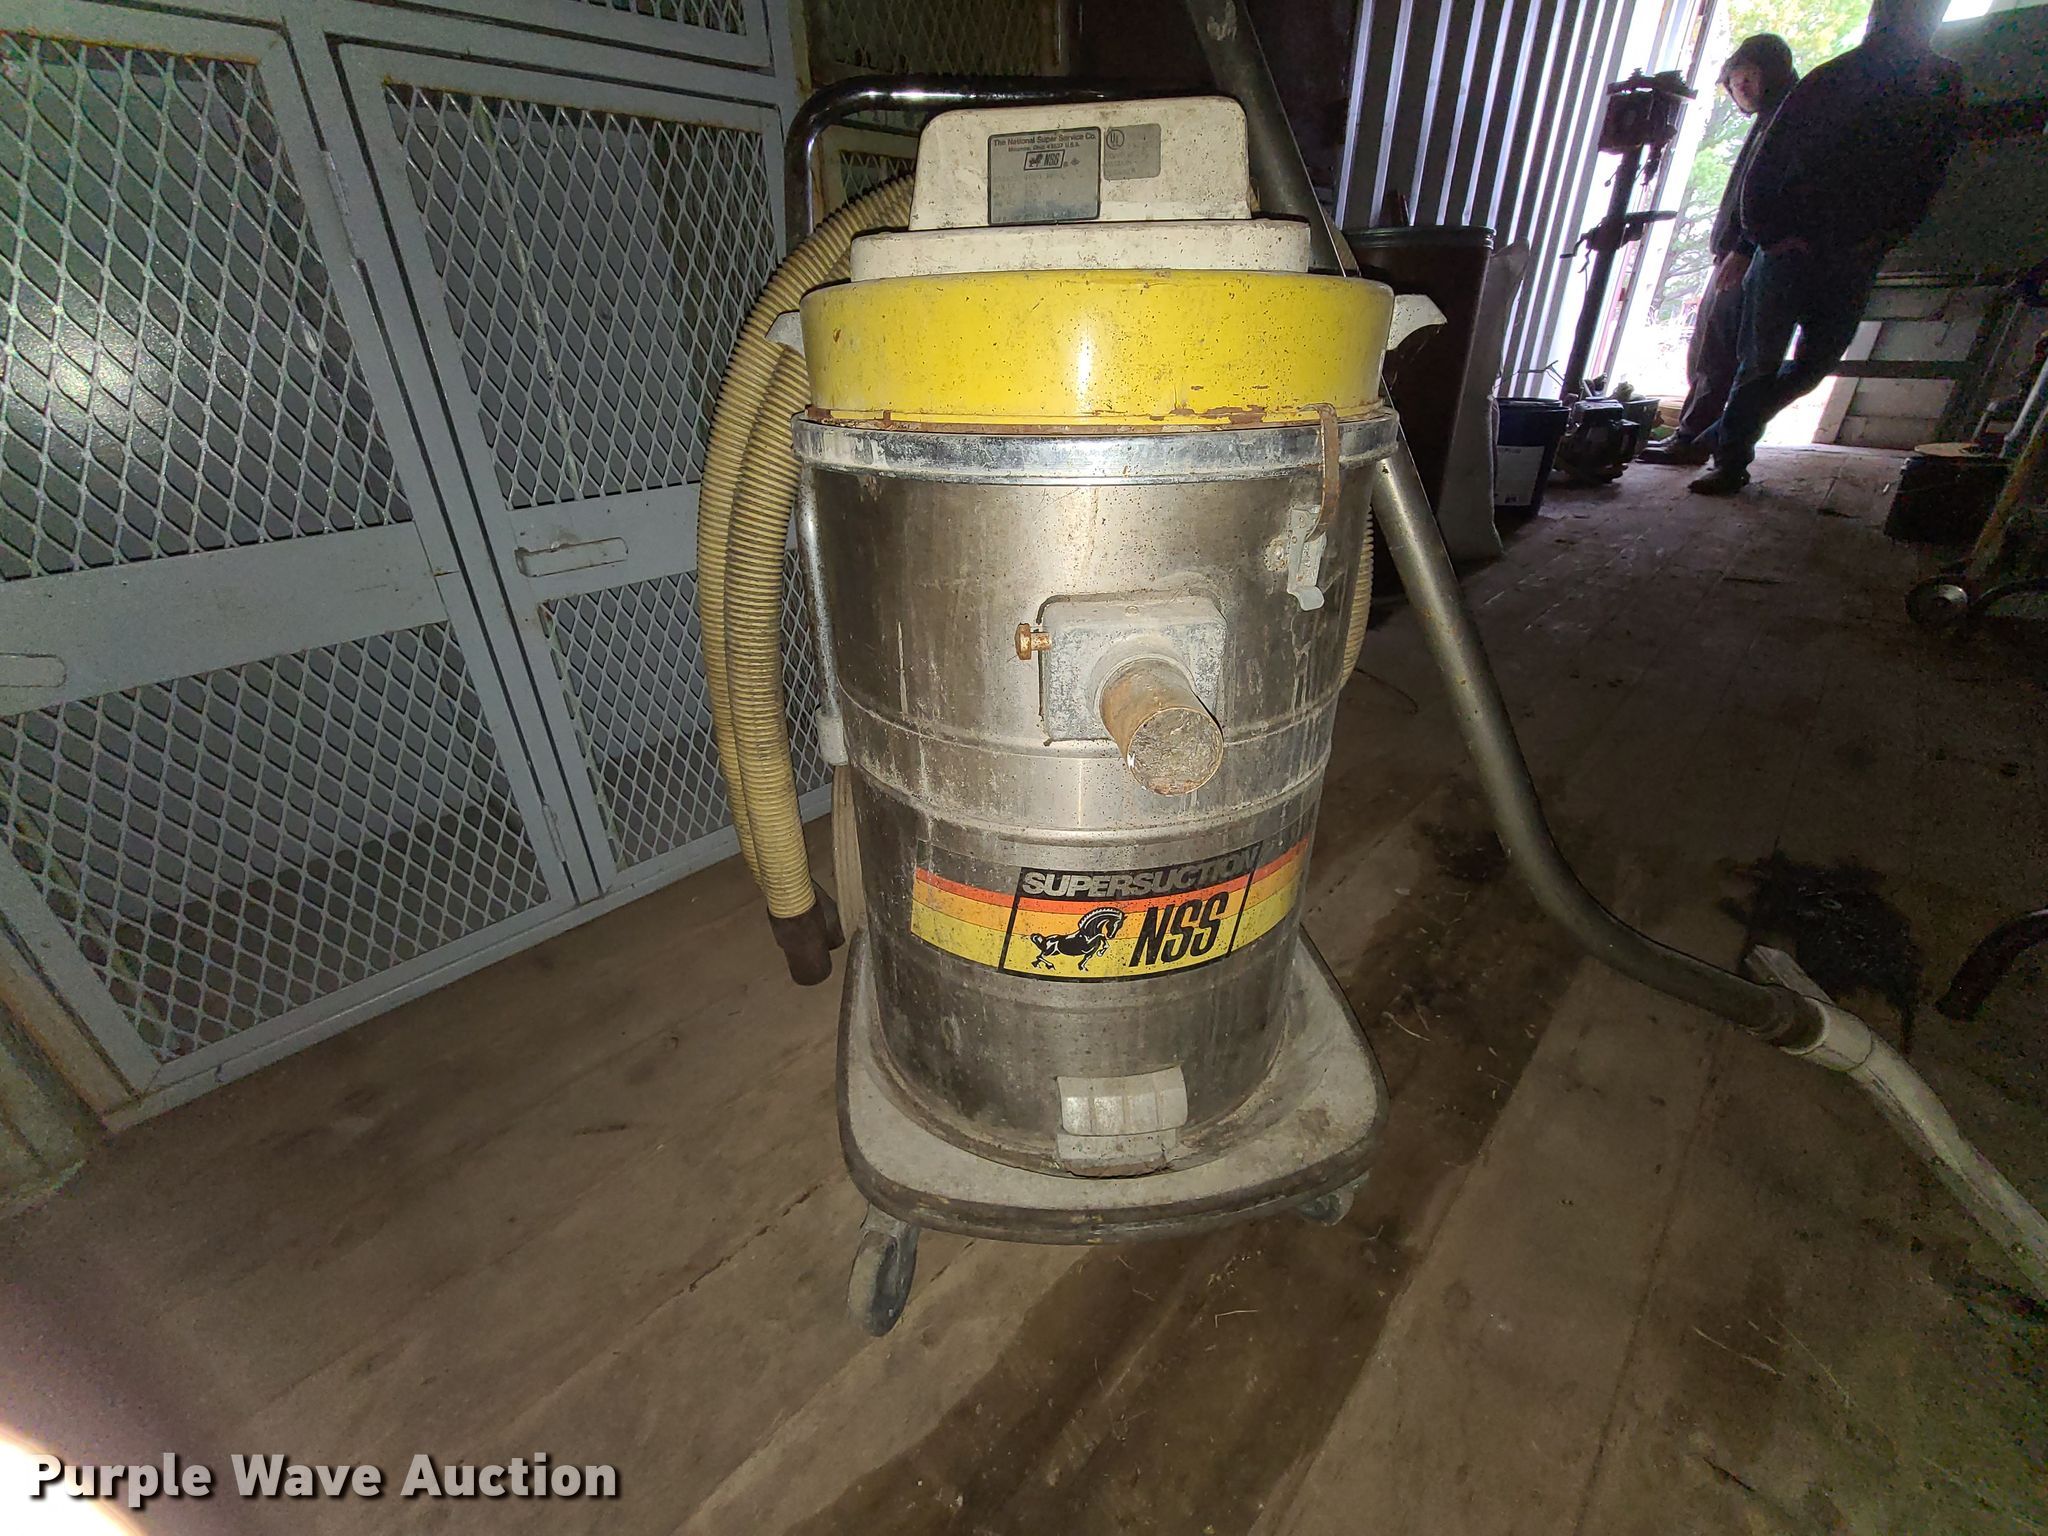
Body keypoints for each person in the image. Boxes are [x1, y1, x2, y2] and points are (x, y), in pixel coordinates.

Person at [1689, 0, 1964, 495]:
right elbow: (1766, 163)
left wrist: (1886, 237)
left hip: (1856, 252)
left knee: (1816, 364)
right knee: (1759, 362)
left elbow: (1932, 170)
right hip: (1787, 250)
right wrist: (1767, 236)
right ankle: (1730, 462)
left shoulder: (1940, 83)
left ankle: (1723, 431)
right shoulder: (1834, 77)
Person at [1638, 34, 1799, 467]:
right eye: (1734, 83)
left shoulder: (1788, 123)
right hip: (1739, 254)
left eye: (1746, 79)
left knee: (1720, 354)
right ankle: (1699, 436)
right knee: (1712, 351)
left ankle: (1697, 439)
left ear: (1772, 74)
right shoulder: (1771, 121)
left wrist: (1744, 247)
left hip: (1751, 257)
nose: (1740, 91)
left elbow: (1776, 196)